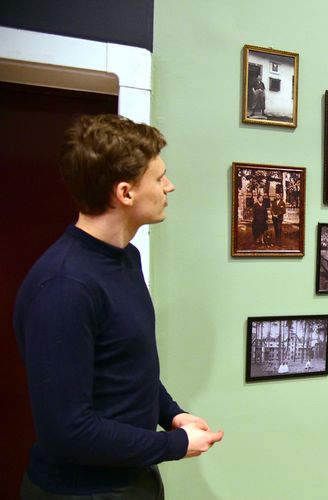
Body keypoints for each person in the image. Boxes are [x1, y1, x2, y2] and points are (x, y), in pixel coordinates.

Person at [13, 114, 224, 498]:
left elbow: (129, 366)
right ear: (125, 193)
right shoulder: (64, 286)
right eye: (159, 178)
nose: (169, 186)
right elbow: (68, 431)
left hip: (132, 480)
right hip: (80, 492)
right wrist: (173, 445)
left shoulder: (125, 258)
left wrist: (171, 414)